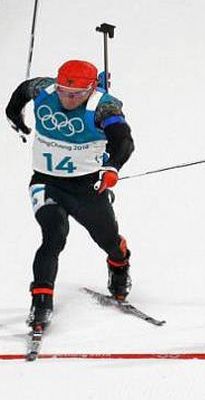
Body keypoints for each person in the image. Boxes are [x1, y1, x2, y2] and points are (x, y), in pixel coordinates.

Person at [5, 60, 135, 330]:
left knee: (107, 239)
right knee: (53, 235)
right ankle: (41, 302)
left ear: (91, 89)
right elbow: (21, 92)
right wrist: (14, 116)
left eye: (76, 94)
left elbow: (123, 139)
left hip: (87, 188)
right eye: (64, 91)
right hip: (46, 182)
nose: (68, 98)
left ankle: (119, 263)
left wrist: (112, 167)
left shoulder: (103, 106)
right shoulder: (45, 89)